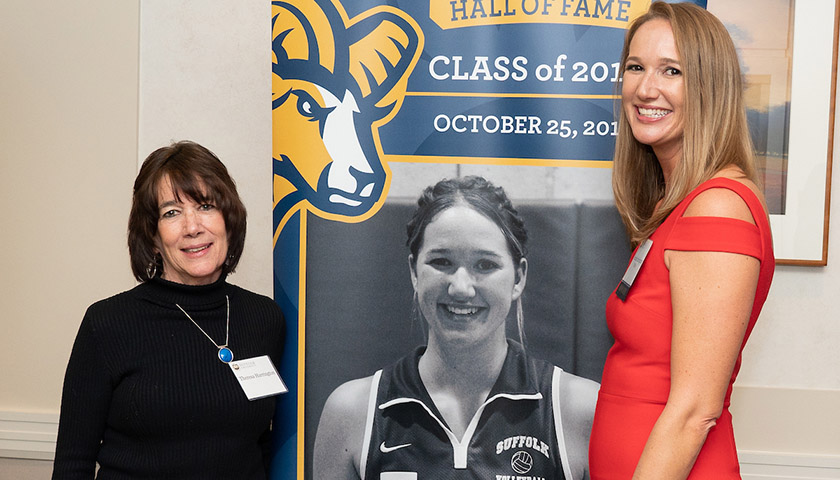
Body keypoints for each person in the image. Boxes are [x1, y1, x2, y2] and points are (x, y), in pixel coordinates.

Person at [588, 3, 775, 479]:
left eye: (672, 70)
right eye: (635, 67)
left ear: (710, 88)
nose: (645, 89)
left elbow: (696, 410)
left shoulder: (717, 206)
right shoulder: (677, 204)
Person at [313, 176, 600, 479]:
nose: (461, 287)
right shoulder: (352, 413)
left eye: (485, 265)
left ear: (518, 278)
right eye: (441, 262)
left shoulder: (579, 410)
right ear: (414, 271)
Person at [52, 141, 286, 479]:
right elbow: (73, 464)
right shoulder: (108, 324)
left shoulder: (265, 319)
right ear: (152, 236)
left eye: (206, 206)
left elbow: (265, 447)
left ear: (229, 219)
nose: (192, 227)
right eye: (171, 212)